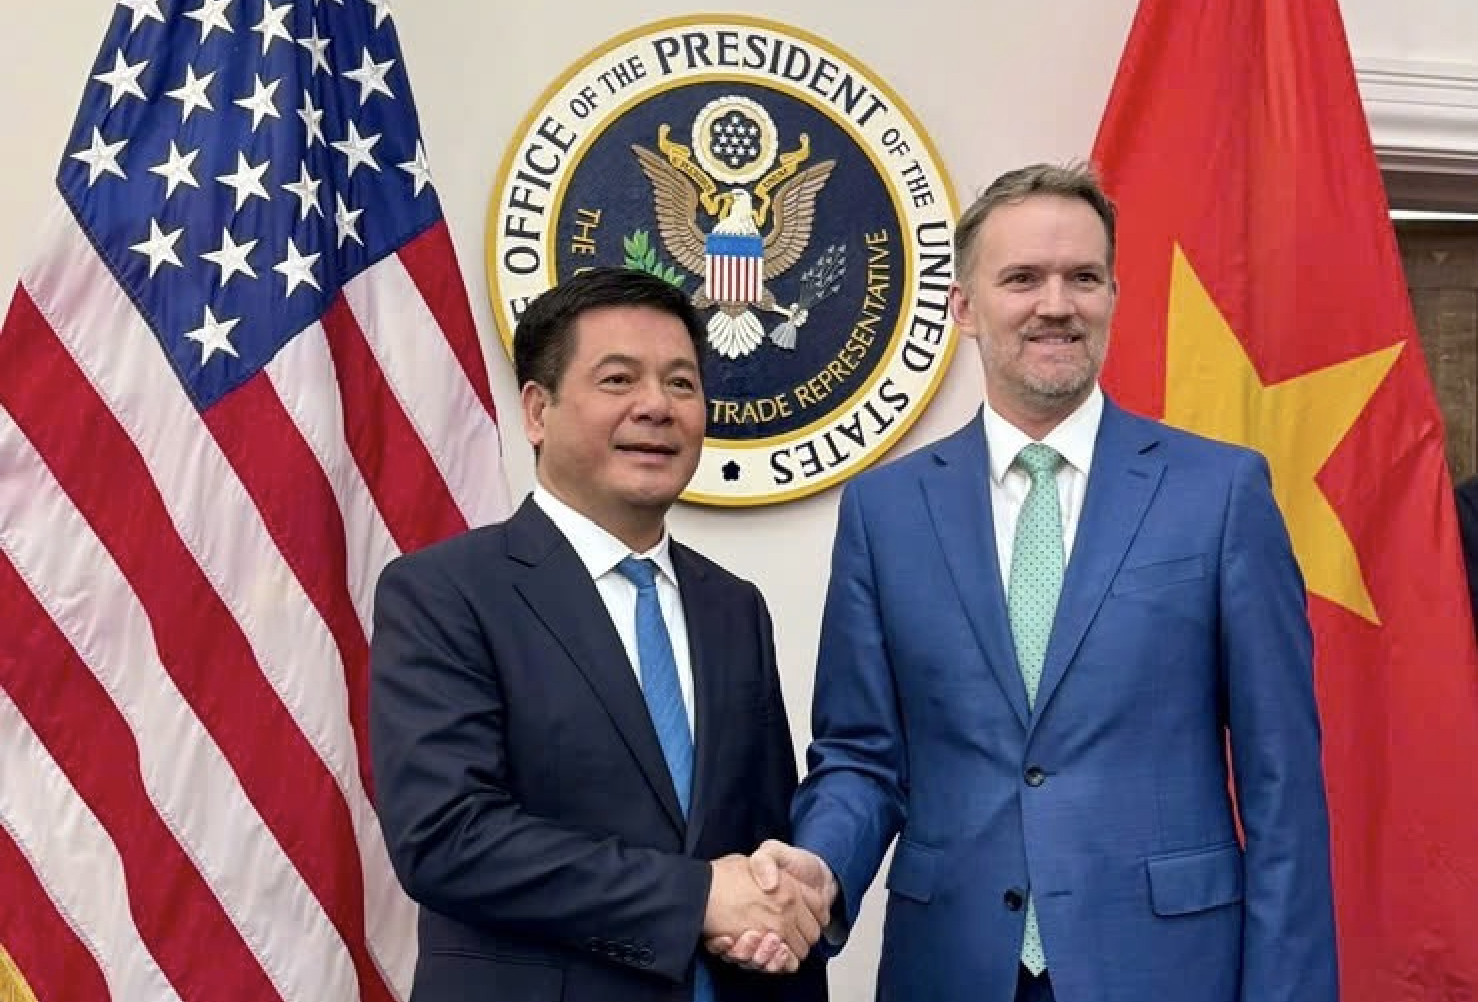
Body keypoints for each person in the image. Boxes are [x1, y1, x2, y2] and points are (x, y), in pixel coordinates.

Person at [720, 163, 1339, 1001]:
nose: (1056, 304)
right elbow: (862, 757)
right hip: (951, 971)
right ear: (964, 308)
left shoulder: (1221, 494)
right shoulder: (885, 512)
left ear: (1114, 296)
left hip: (1166, 971)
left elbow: (1282, 786)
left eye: (1083, 277)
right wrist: (819, 867)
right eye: (1022, 279)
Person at [369, 267, 828, 1002]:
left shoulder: (735, 608)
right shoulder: (443, 593)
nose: (657, 406)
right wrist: (697, 898)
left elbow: (761, 836)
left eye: (681, 384)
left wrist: (779, 902)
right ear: (537, 411)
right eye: (618, 380)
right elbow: (447, 836)